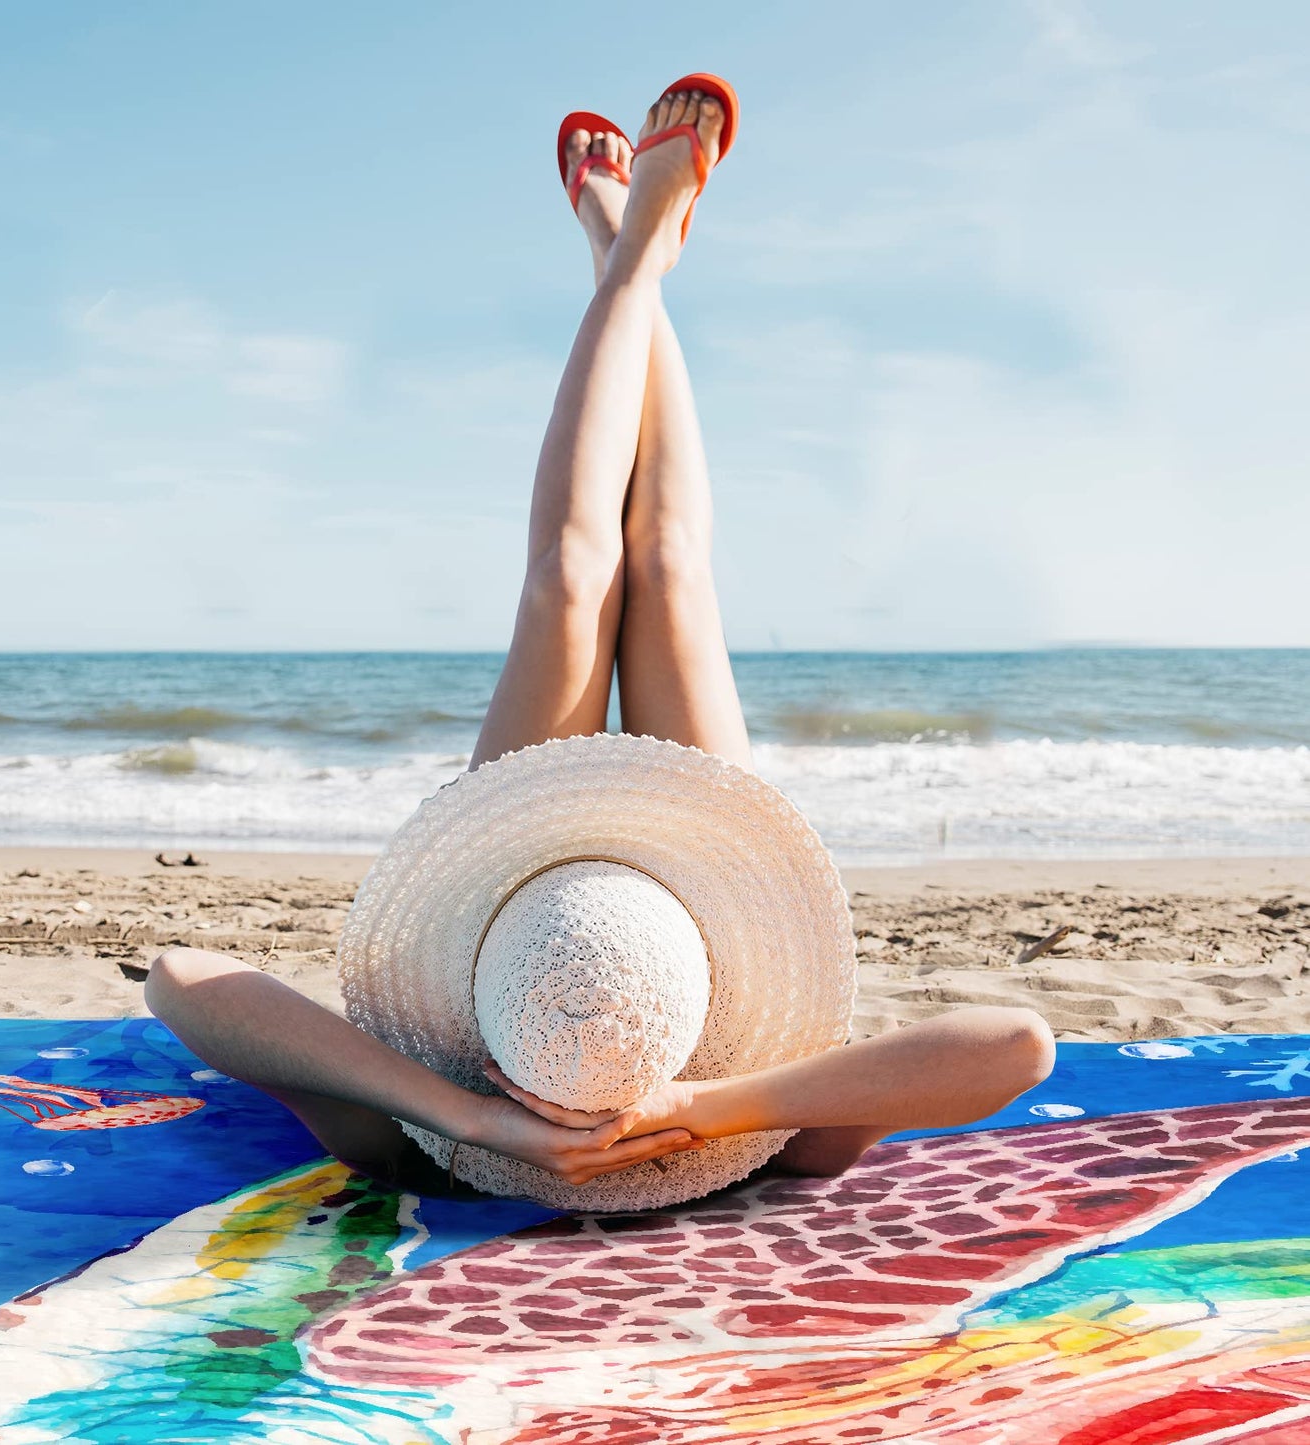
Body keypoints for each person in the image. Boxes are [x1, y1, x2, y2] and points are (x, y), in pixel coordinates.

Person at [145, 76, 1054, 1208]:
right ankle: (635, 252)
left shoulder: (410, 1142)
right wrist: (699, 1108)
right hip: (695, 909)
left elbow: (178, 980)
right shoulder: (782, 1140)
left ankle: (623, 254)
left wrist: (467, 1117)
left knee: (573, 577)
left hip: (508, 898)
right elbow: (1015, 1044)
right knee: (666, 566)